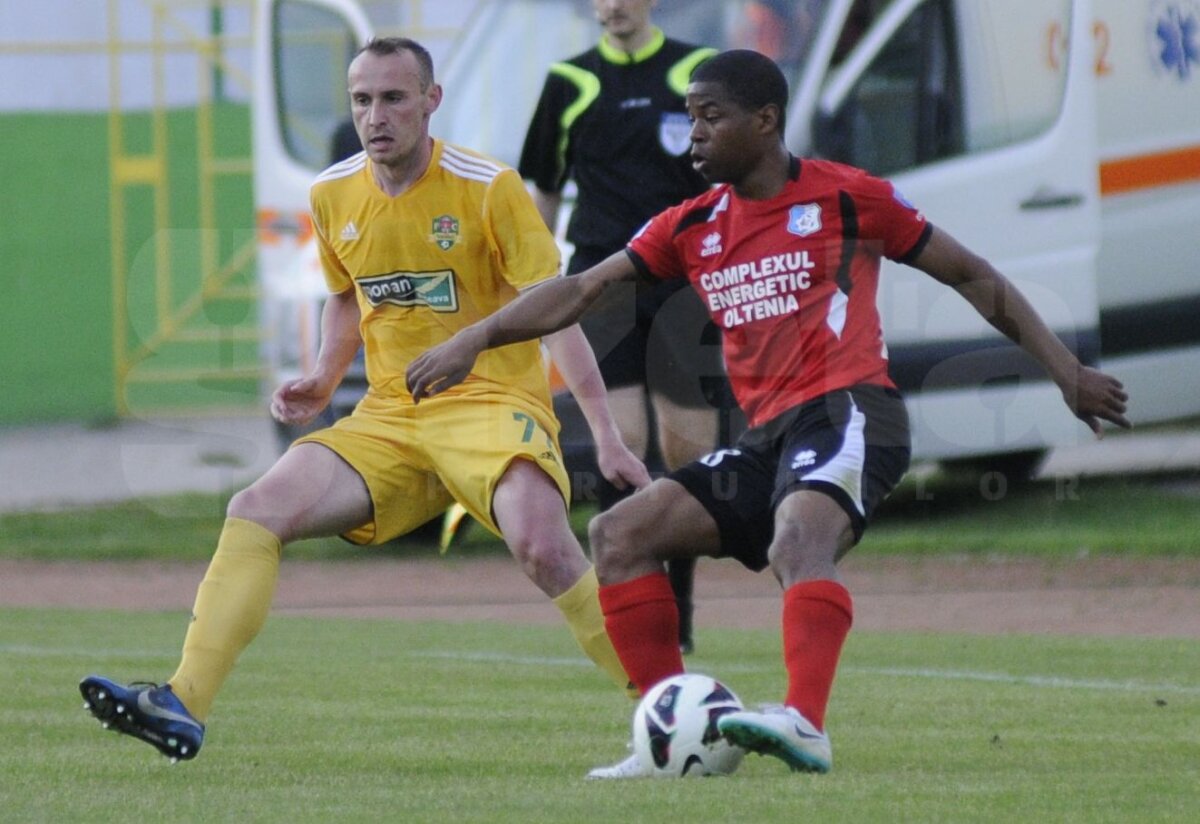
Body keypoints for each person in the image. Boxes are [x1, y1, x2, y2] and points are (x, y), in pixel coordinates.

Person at [406, 49, 1132, 777]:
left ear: (765, 121)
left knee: (797, 542)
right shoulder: (691, 225)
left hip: (852, 411)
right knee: (619, 533)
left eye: (710, 118)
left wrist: (1066, 373)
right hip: (768, 438)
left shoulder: (848, 197)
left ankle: (806, 726)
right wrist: (476, 336)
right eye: (689, 118)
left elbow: (974, 274)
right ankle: (668, 734)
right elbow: (581, 289)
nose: (693, 135)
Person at [78, 36, 649, 762]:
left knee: (542, 546)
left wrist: (603, 432)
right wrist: (322, 376)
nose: (375, 115)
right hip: (389, 417)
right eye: (361, 100)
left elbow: (556, 310)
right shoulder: (331, 193)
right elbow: (348, 298)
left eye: (393, 98)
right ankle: (184, 701)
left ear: (430, 102)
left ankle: (667, 705)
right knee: (255, 509)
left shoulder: (488, 187)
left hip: (489, 405)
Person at [519, 0, 724, 653]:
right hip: (603, 285)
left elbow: (735, 180)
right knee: (623, 443)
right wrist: (530, 282)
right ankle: (628, 608)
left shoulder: (698, 71)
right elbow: (542, 194)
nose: (611, 6)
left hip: (686, 288)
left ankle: (682, 611)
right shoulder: (569, 82)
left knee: (689, 449)